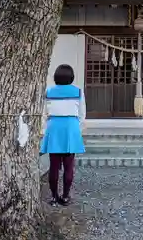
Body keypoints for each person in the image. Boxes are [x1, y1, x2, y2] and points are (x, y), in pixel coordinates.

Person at [40, 64, 86, 206]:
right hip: (71, 127)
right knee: (69, 165)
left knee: (53, 166)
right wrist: (76, 128)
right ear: (71, 77)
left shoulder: (49, 92)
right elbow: (82, 114)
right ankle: (65, 196)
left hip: (54, 127)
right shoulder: (78, 91)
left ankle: (54, 197)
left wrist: (45, 128)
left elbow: (44, 113)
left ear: (56, 77)